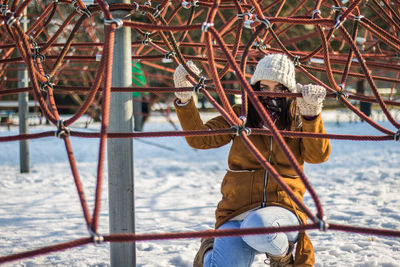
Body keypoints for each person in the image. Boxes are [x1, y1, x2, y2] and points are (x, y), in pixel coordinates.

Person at [173, 54, 331, 267]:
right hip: (237, 211)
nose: (269, 93)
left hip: (283, 211)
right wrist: (184, 97)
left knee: (259, 226)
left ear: (289, 89)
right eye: (263, 86)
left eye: (278, 87)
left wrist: (311, 117)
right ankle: (210, 248)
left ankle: (284, 258)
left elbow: (317, 156)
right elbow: (200, 138)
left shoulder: (297, 119)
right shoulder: (242, 115)